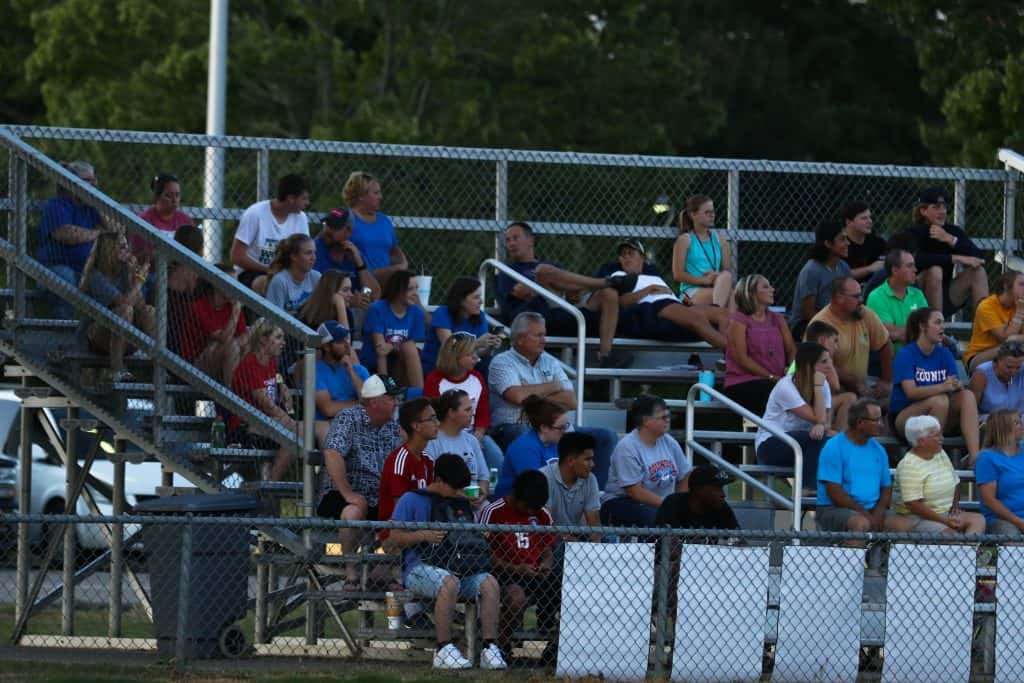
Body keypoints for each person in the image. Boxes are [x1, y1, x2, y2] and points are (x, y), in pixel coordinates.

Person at [387, 454, 508, 670]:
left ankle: (489, 647)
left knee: (489, 583)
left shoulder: (460, 502)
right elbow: (393, 538)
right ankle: (443, 648)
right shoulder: (411, 499)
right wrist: (422, 535)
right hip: (418, 569)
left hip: (457, 568)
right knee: (448, 582)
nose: (458, 492)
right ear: (439, 480)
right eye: (454, 487)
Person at [487, 311, 617, 487]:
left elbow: (571, 401)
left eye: (544, 334)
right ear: (520, 339)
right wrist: (553, 386)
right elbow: (517, 396)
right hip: (512, 426)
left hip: (556, 427)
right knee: (523, 433)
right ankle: (539, 490)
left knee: (606, 436)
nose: (544, 340)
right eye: (538, 335)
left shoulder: (550, 361)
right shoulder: (501, 362)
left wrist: (531, 392)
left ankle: (595, 492)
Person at [495, 221, 636, 368]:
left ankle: (606, 355)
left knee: (609, 293)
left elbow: (571, 291)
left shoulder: (554, 265)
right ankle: (605, 282)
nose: (511, 243)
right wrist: (543, 284)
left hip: (565, 302)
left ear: (531, 240)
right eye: (508, 240)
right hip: (542, 304)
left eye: (515, 238)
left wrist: (570, 292)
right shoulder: (506, 271)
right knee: (542, 271)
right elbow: (520, 292)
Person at [319, 374, 403, 588]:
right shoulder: (348, 418)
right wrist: (349, 493)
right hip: (342, 493)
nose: (396, 403)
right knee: (353, 512)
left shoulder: (394, 426)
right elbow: (332, 453)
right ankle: (351, 572)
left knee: (406, 509)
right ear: (374, 402)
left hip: (379, 495)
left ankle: (382, 570)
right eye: (391, 398)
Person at [479, 470, 559, 653]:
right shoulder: (493, 511)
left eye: (535, 508)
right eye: (528, 507)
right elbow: (483, 555)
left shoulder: (542, 514)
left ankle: (554, 646)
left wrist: (546, 563)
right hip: (503, 574)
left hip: (535, 575)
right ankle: (499, 646)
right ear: (516, 495)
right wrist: (517, 568)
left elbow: (547, 548)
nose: (531, 511)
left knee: (567, 590)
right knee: (516, 597)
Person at [888, 308, 980, 464]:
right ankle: (934, 459)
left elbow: (953, 385)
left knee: (967, 396)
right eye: (937, 322)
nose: (942, 327)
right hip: (906, 418)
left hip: (941, 414)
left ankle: (975, 458)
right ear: (922, 326)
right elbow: (911, 392)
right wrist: (943, 387)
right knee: (940, 400)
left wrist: (956, 386)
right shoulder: (906, 354)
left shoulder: (944, 353)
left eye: (943, 323)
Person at [816, 399, 914, 539]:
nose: (882, 424)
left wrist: (878, 512)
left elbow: (886, 488)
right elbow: (835, 493)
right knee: (861, 524)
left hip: (872, 510)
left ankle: (884, 554)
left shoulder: (879, 450)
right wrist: (865, 514)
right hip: (834, 509)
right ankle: (854, 554)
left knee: (903, 525)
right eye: (876, 420)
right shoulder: (834, 447)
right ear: (860, 422)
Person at [605, 238, 727, 348]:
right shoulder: (619, 275)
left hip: (676, 304)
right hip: (658, 306)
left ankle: (725, 359)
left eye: (630, 253)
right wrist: (650, 289)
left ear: (642, 258)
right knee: (697, 319)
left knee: (723, 314)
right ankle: (732, 354)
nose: (626, 257)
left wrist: (684, 301)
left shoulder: (654, 276)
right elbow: (621, 302)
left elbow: (671, 296)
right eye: (622, 255)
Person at [601, 394, 692, 527]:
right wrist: (669, 506)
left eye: (668, 416)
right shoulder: (627, 447)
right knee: (653, 517)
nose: (668, 420)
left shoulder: (668, 441)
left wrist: (678, 502)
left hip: (661, 504)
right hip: (622, 502)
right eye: (663, 417)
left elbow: (685, 475)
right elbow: (634, 491)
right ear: (646, 421)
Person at [755, 342, 833, 494]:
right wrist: (818, 388)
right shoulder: (785, 387)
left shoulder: (823, 384)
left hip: (804, 445)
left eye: (829, 361)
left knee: (838, 443)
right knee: (818, 438)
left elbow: (826, 422)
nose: (830, 366)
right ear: (808, 365)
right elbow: (818, 419)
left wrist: (822, 425)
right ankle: (808, 488)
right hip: (770, 446)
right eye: (824, 362)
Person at [78, 232, 156, 384]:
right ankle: (117, 369)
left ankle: (157, 367)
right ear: (109, 251)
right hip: (98, 337)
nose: (128, 251)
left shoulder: (125, 270)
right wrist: (140, 280)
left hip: (124, 335)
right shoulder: (96, 276)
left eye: (127, 246)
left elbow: (140, 306)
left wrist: (133, 276)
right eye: (123, 247)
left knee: (150, 311)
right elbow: (124, 302)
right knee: (125, 310)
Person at [229, 318, 299, 481]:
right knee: (300, 432)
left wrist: (282, 385)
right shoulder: (250, 363)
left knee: (305, 432)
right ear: (263, 339)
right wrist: (291, 422)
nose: (283, 343)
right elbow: (268, 406)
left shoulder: (270, 360)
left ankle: (274, 482)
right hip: (246, 427)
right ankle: (272, 483)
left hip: (267, 422)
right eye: (278, 337)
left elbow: (275, 376)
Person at [893, 415, 985, 534]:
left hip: (945, 514)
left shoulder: (940, 453)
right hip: (918, 518)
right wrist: (945, 521)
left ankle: (969, 546)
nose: (942, 438)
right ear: (921, 441)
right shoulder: (909, 465)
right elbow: (914, 505)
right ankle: (963, 545)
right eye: (936, 436)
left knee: (978, 520)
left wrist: (954, 507)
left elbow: (955, 481)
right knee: (950, 535)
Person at [38, 161, 106, 318]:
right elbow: (66, 234)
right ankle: (63, 330)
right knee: (66, 279)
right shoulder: (56, 205)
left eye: (94, 180)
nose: (94, 185)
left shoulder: (92, 207)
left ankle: (96, 330)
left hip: (88, 268)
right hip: (55, 267)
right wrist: (98, 233)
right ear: (71, 183)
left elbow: (116, 229)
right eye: (88, 180)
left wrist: (99, 204)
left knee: (109, 284)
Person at [424, 334, 502, 470]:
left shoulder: (477, 378)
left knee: (497, 457)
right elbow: (431, 415)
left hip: (474, 434)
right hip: (444, 435)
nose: (476, 358)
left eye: (475, 353)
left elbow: (483, 414)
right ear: (455, 356)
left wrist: (477, 436)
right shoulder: (434, 380)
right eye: (469, 354)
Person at [809, 276, 893, 399]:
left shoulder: (864, 313)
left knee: (894, 398)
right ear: (839, 298)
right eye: (856, 296)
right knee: (854, 401)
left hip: (863, 384)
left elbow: (885, 344)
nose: (861, 300)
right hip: (831, 389)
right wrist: (854, 382)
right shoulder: (820, 324)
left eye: (861, 295)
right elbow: (820, 364)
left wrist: (887, 382)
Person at [723, 274, 796, 416]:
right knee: (778, 394)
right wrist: (771, 377)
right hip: (743, 382)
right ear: (751, 293)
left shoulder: (778, 318)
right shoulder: (739, 320)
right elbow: (742, 359)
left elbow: (791, 349)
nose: (772, 289)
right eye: (765, 287)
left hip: (777, 381)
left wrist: (791, 373)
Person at [231, 174, 310, 289]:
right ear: (291, 198)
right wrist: (269, 270)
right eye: (304, 199)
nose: (307, 203)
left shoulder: (301, 218)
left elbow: (305, 252)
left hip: (286, 274)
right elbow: (237, 256)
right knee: (269, 284)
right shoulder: (255, 214)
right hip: (252, 272)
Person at [179, 264, 248, 386]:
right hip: (194, 366)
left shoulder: (231, 306)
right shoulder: (199, 307)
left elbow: (244, 338)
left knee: (260, 330)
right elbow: (224, 339)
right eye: (230, 283)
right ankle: (232, 394)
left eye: (236, 283)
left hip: (224, 361)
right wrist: (236, 310)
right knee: (231, 346)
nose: (235, 288)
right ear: (216, 283)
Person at [359, 269, 426, 393]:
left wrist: (392, 346)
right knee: (400, 347)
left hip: (399, 365)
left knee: (409, 347)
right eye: (410, 289)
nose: (415, 294)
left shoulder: (416, 312)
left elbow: (409, 348)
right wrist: (384, 388)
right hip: (373, 366)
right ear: (398, 290)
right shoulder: (377, 309)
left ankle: (420, 396)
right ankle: (386, 389)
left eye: (417, 288)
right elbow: (380, 349)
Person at [421, 276, 502, 375]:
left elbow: (478, 353)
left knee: (491, 363)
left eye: (480, 297)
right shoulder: (443, 313)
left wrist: (489, 346)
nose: (481, 301)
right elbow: (450, 347)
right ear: (461, 300)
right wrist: (476, 343)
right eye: (476, 297)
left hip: (465, 365)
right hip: (439, 366)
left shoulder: (480, 316)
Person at [424, 389, 491, 506]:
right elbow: (432, 482)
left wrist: (482, 494)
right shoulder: (432, 442)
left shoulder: (471, 440)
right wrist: (461, 497)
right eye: (467, 410)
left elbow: (483, 477)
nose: (472, 413)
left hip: (476, 503)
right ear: (451, 413)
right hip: (445, 504)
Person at [378, 397, 439, 524]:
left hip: (422, 528)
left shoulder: (428, 461)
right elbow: (401, 510)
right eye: (431, 419)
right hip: (396, 530)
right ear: (416, 426)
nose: (437, 423)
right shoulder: (400, 460)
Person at [343, 171, 409, 286]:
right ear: (361, 195)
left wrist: (402, 265)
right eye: (376, 193)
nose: (380, 197)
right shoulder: (346, 218)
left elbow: (394, 250)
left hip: (385, 284)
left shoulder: (384, 221)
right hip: (357, 282)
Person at [493, 396, 567, 498]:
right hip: (516, 502)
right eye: (561, 428)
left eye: (566, 426)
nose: (564, 431)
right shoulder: (524, 447)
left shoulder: (555, 443)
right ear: (544, 427)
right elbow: (535, 486)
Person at [789, 219, 852, 338]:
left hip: (835, 320)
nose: (848, 243)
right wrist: (834, 326)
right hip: (808, 325)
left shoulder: (844, 267)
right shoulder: (811, 270)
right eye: (842, 239)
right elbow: (808, 312)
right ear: (828, 243)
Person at [672, 195, 735, 309]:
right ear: (693, 215)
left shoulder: (721, 241)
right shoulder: (685, 240)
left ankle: (717, 312)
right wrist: (705, 280)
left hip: (716, 286)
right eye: (707, 212)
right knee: (731, 296)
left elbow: (727, 272)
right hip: (691, 291)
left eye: (713, 212)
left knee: (726, 277)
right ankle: (718, 314)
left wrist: (716, 276)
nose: (712, 215)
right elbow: (678, 274)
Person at [313, 321, 368, 445]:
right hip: (330, 423)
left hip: (361, 422)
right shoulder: (315, 371)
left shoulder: (360, 370)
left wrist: (351, 371)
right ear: (326, 347)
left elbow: (370, 402)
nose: (347, 344)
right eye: (340, 341)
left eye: (347, 339)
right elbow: (328, 409)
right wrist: (360, 404)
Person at [795, 320, 855, 432]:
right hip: (804, 403)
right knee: (847, 398)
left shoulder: (820, 358)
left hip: (816, 400)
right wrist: (828, 359)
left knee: (847, 397)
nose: (836, 347)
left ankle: (837, 434)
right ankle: (835, 435)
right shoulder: (806, 358)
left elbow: (834, 387)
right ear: (822, 340)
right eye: (835, 341)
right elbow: (835, 386)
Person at [865, 249, 929, 353]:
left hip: (919, 356)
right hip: (890, 360)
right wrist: (920, 331)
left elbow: (929, 327)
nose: (915, 270)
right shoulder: (876, 297)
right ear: (895, 270)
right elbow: (890, 334)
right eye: (910, 266)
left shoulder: (918, 294)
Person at [312, 207, 381, 299]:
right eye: (327, 224)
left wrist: (360, 265)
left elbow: (373, 295)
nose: (328, 230)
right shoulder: (313, 250)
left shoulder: (354, 254)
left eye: (335, 227)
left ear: (349, 232)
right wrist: (350, 300)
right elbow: (312, 293)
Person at [963, 270, 1024, 373]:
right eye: (1022, 284)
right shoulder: (987, 306)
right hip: (979, 357)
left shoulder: (1019, 305)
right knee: (1010, 347)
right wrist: (1020, 313)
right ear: (1006, 286)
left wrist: (1015, 338)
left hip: (1010, 356)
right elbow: (1004, 338)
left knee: (1014, 347)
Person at [976, 409, 1024, 535]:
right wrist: (1019, 522)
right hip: (1004, 520)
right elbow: (989, 500)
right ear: (1003, 428)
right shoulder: (987, 458)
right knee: (1013, 540)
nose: (1022, 425)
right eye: (1017, 423)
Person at [541, 432, 601, 527]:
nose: (592, 464)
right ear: (570, 461)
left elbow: (594, 524)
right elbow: (545, 523)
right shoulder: (544, 478)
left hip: (576, 535)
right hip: (548, 535)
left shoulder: (590, 479)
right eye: (587, 459)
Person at [655, 465, 740, 532]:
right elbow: (661, 542)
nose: (723, 494)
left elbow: (738, 539)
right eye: (716, 488)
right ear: (698, 489)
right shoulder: (673, 504)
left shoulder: (721, 507)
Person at [165, 225, 206, 357]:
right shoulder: (196, 273)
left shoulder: (167, 268)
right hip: (186, 333)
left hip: (167, 329)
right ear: (200, 248)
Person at [132, 172, 193, 261]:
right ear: (157, 196)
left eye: (177, 195)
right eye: (168, 196)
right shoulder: (144, 220)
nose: (174, 200)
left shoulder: (185, 220)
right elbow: (139, 255)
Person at [263, 233, 321, 312]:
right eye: (308, 253)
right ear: (293, 256)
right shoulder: (280, 281)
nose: (313, 258)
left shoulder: (316, 277)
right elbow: (273, 317)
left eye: (314, 252)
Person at [969, 342, 1024, 419]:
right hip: (989, 421)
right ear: (995, 363)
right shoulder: (981, 374)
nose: (1014, 372)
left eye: (1018, 367)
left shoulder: (1022, 369)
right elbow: (970, 412)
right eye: (1009, 367)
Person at [841, 201, 887, 284]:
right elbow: (838, 275)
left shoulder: (878, 243)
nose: (870, 221)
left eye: (870, 217)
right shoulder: (839, 244)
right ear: (849, 222)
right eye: (864, 218)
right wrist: (869, 269)